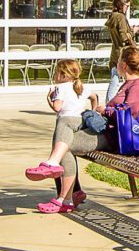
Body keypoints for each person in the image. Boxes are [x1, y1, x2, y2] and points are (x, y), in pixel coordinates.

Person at [37, 45, 139, 215]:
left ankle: (65, 199)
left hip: (116, 138)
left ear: (124, 64)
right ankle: (72, 192)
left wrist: (105, 110)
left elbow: (132, 114)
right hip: (110, 131)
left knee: (64, 146)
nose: (116, 63)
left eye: (118, 60)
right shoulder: (130, 84)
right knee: (62, 137)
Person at [26, 58, 95, 187]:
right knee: (65, 150)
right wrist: (93, 111)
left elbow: (57, 108)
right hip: (79, 121)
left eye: (56, 72)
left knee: (59, 149)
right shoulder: (83, 87)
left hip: (65, 121)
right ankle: (75, 190)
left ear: (63, 75)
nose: (54, 75)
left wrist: (49, 99)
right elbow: (94, 97)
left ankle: (52, 164)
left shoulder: (61, 88)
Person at [103, 0, 137, 71]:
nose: (128, 8)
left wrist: (128, 29)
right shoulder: (121, 17)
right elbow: (124, 37)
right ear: (120, 5)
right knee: (128, 77)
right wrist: (133, 31)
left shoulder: (113, 16)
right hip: (123, 54)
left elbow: (118, 32)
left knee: (114, 76)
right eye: (126, 6)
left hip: (114, 53)